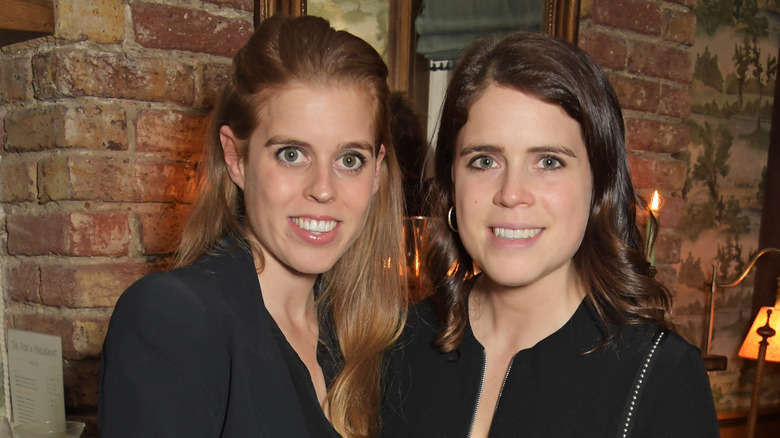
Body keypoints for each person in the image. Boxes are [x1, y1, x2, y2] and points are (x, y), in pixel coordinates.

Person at [381, 32, 720, 437]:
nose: (511, 194)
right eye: (485, 160)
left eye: (548, 161)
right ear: (452, 178)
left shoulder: (657, 374)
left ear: (598, 184)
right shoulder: (399, 343)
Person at [99, 15, 407, 438]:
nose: (323, 189)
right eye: (292, 154)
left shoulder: (368, 335)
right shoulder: (172, 320)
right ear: (236, 158)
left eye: (349, 159)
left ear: (376, 173)